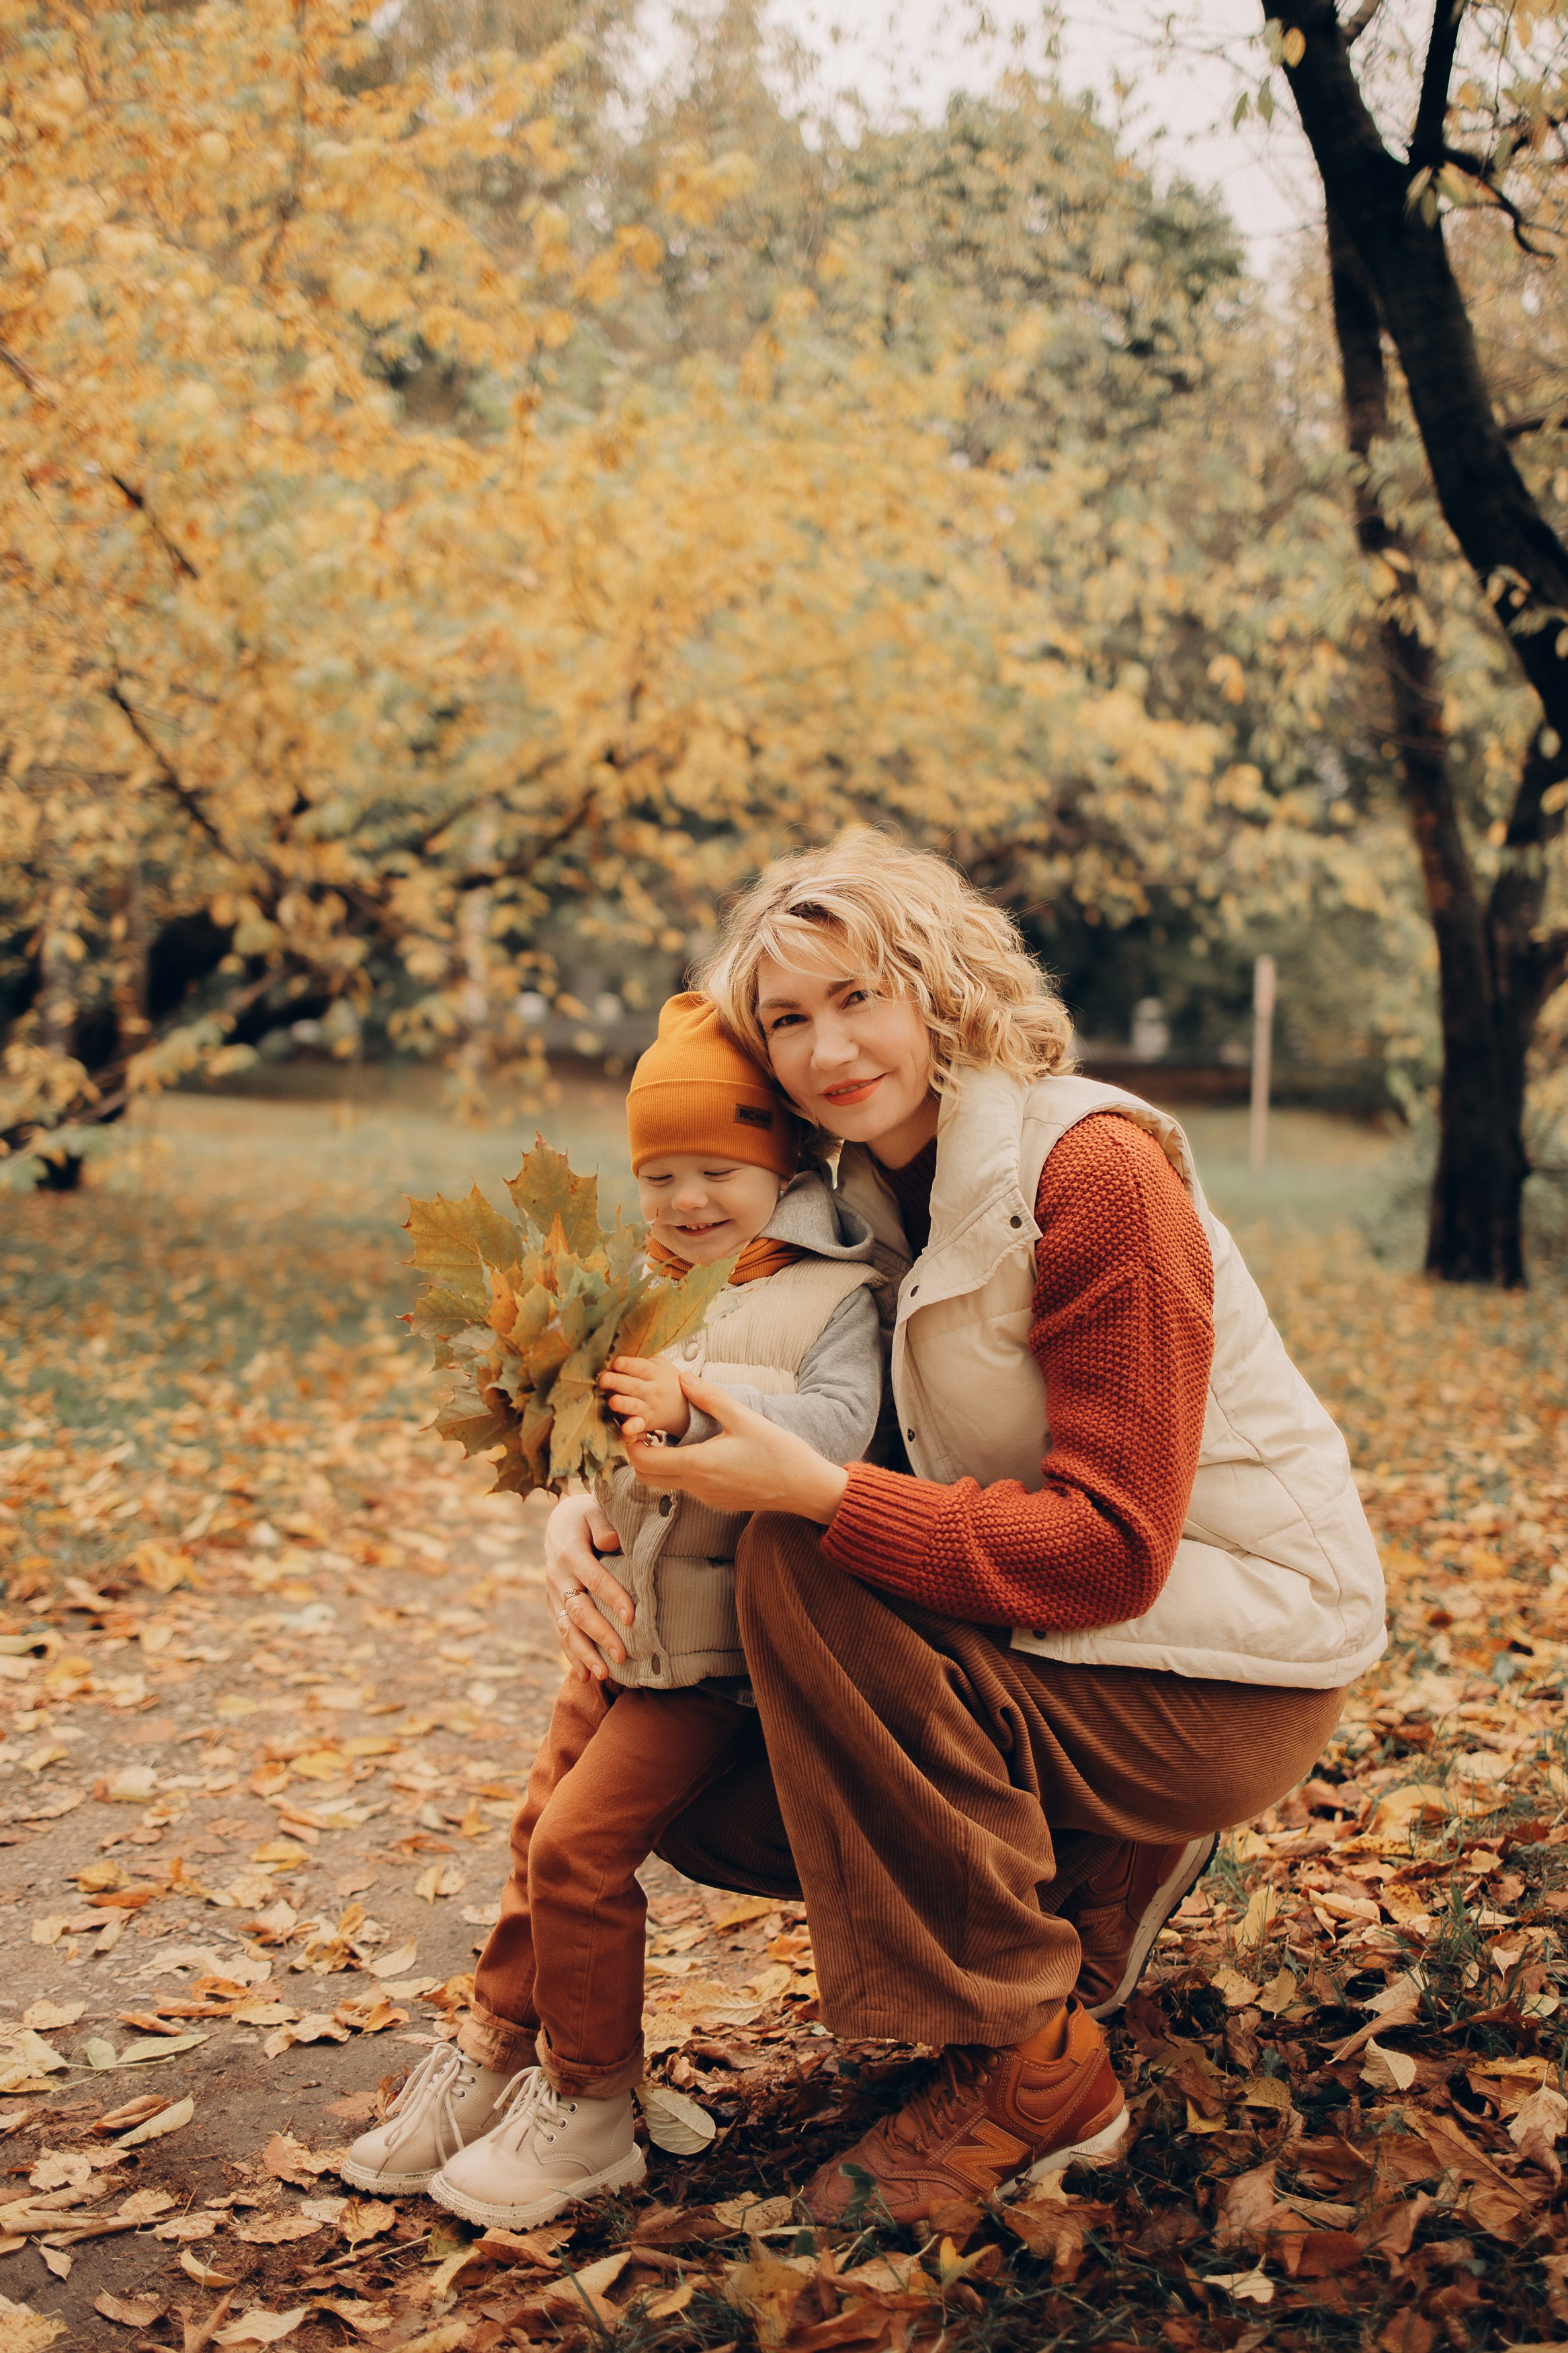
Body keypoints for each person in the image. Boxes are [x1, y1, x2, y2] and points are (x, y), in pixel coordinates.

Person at [541, 832, 1387, 2224]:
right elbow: (791, 1408)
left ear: (940, 986)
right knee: (686, 1762)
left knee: (810, 1565)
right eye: (789, 1020)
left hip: (1233, 1661)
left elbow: (1115, 1546)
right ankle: (1071, 1901)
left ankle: (1035, 2066)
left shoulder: (1095, 1175)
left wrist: (815, 1497)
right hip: (1060, 1627)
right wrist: (590, 1511)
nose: (827, 1048)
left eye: (859, 996)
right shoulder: (863, 1207)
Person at [339, 993, 882, 2225]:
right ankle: (495, 2050)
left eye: (717, 1171)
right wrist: (567, 1466)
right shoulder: (654, 1286)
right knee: (541, 1828)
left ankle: (588, 2102)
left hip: (723, 1661)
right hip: (630, 1636)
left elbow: (841, 1432)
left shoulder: (837, 1293)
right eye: (659, 1178)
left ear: (785, 1164)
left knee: (580, 1851)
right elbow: (609, 1458)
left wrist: (693, 1397)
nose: (686, 1202)